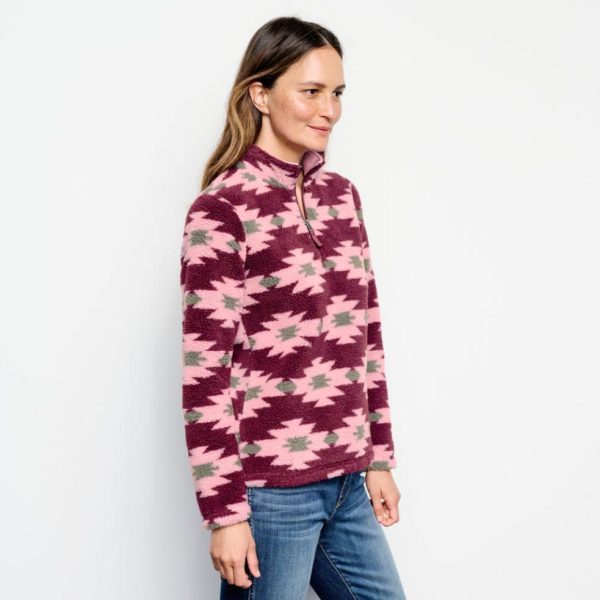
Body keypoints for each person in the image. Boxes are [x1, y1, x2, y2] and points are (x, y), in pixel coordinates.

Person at [180, 15, 407, 600]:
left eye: (337, 93)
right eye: (310, 91)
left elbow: (366, 335)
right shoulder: (222, 210)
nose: (329, 110)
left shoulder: (342, 197)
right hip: (272, 494)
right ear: (260, 94)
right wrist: (225, 514)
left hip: (348, 481)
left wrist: (378, 456)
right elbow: (205, 373)